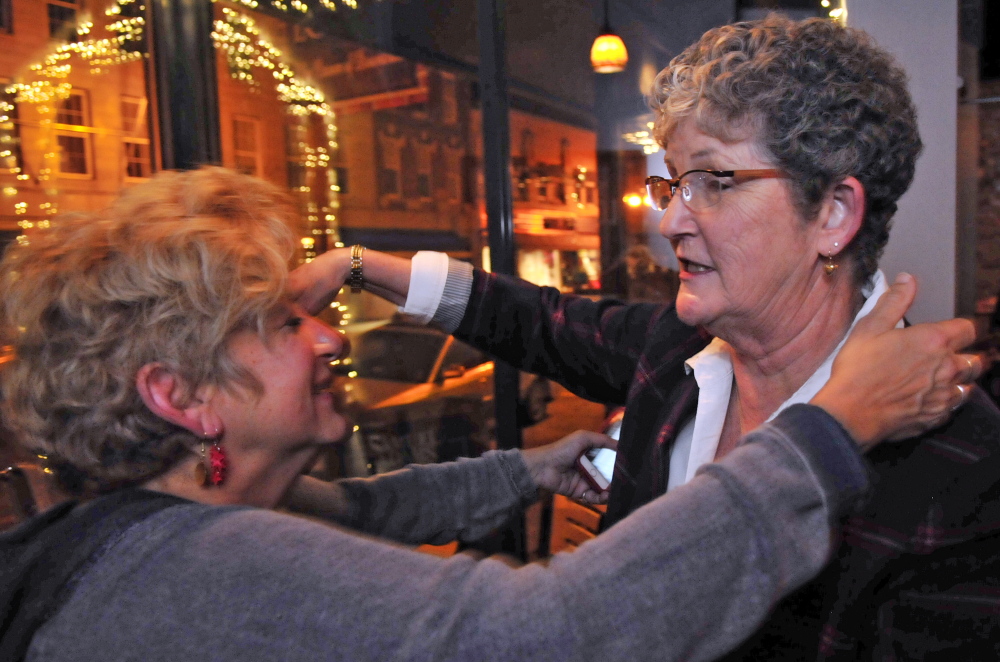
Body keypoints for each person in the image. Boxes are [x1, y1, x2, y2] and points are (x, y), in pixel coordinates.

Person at [0, 167, 980, 662]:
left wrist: (526, 469)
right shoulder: (191, 574)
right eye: (282, 320)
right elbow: (553, 630)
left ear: (834, 214)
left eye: (719, 180)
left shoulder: (147, 525)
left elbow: (369, 515)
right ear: (178, 396)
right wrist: (830, 426)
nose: (329, 339)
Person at [295, 15, 1000, 659]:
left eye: (716, 181)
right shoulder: (673, 351)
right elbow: (523, 316)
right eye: (675, 185)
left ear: (834, 214)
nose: (672, 223)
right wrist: (357, 266)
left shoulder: (963, 460)